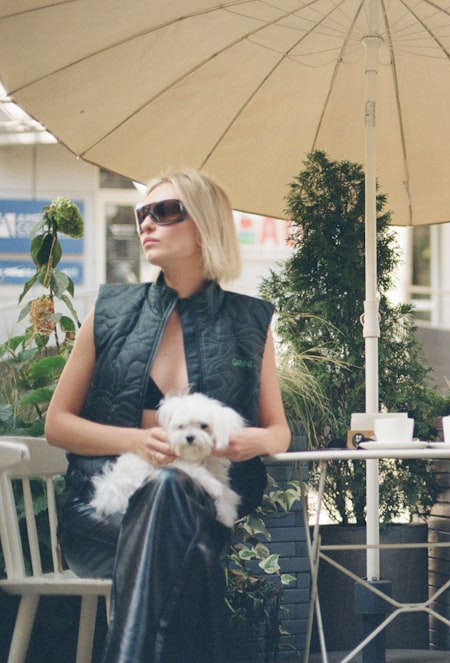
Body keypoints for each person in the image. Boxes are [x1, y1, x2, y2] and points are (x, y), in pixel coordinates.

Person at [45, 169, 291, 663]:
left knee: (171, 506)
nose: (147, 223)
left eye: (166, 211)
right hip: (101, 514)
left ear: (206, 224)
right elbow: (57, 425)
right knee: (184, 547)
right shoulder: (111, 311)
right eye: (143, 213)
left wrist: (254, 443)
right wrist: (135, 442)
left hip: (200, 507)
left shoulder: (250, 321)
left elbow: (279, 431)